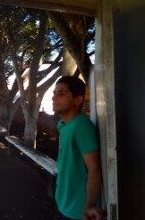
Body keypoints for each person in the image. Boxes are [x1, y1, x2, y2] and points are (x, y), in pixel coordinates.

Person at [51, 76, 104, 220]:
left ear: (78, 100)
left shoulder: (81, 126)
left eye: (61, 93)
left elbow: (94, 169)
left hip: (77, 212)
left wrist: (90, 206)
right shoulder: (63, 125)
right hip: (63, 202)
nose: (54, 98)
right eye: (54, 94)